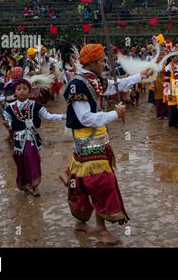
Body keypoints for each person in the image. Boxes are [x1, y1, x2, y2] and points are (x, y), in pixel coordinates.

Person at [62, 44, 153, 245]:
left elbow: (114, 85)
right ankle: (101, 229)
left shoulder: (93, 79)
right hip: (88, 141)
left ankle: (80, 223)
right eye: (102, 60)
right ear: (92, 62)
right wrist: (115, 114)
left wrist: (139, 77)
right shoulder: (78, 84)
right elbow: (85, 118)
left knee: (85, 183)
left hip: (99, 138)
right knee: (102, 183)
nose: (105, 63)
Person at [3, 79, 65, 196]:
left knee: (31, 157)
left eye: (25, 89)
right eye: (19, 89)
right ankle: (26, 185)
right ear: (14, 92)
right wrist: (8, 125)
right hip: (18, 139)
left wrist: (63, 116)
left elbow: (48, 116)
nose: (22, 91)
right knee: (21, 161)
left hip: (31, 138)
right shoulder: (9, 108)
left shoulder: (36, 105)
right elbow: (10, 124)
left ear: (30, 92)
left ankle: (35, 186)